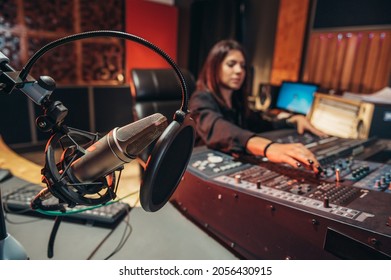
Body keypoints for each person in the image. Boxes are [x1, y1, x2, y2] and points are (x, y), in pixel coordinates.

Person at [189, 39, 327, 173]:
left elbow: (262, 124)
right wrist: (269, 147)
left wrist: (291, 121)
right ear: (214, 67)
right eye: (231, 64)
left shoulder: (237, 102)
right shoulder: (200, 99)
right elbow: (218, 129)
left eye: (243, 66)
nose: (239, 71)